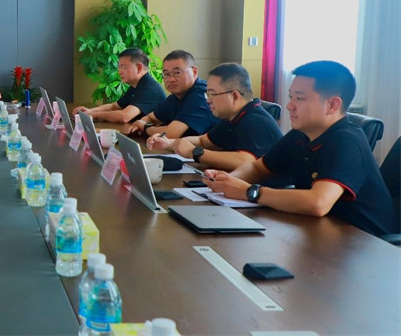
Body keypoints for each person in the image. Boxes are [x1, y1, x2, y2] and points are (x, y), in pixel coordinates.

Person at [205, 61, 397, 237]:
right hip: (319, 233)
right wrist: (226, 182)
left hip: (365, 245)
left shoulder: (347, 141)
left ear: (332, 105)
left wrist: (250, 192)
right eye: (291, 97)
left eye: (299, 98)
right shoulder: (300, 135)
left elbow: (318, 203)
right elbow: (258, 167)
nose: (289, 105)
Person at [147, 62, 282, 171]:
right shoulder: (232, 117)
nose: (208, 100)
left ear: (234, 96)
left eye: (212, 94)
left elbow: (245, 161)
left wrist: (194, 152)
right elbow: (203, 141)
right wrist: (170, 143)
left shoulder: (255, 121)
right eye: (207, 94)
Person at [126, 50, 217, 138]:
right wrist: (139, 125)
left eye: (177, 73)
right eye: (166, 74)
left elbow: (170, 134)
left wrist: (145, 128)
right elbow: (151, 118)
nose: (171, 79)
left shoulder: (202, 95)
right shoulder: (174, 97)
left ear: (194, 71)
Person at [73, 48, 166, 123]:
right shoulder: (136, 85)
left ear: (139, 68)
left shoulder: (149, 88)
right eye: (119, 67)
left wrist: (94, 115)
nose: (120, 72)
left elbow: (124, 116)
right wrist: (90, 111)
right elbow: (115, 106)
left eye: (123, 67)